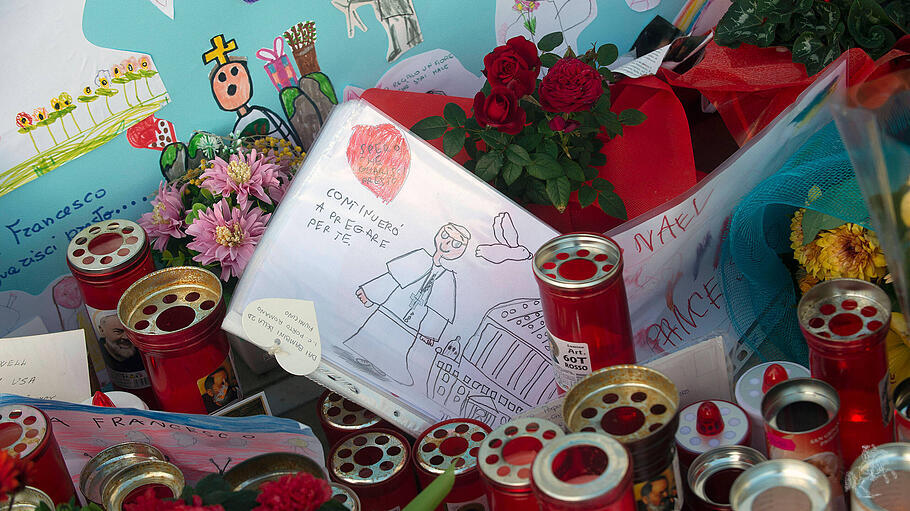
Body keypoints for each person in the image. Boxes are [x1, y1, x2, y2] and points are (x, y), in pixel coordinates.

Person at [344, 223, 470, 386]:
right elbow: (392, 277)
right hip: (391, 308)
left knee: (399, 342)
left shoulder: (447, 279)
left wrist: (430, 333)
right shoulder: (419, 257)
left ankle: (384, 366)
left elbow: (440, 311)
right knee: (375, 330)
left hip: (414, 320)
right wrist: (368, 293)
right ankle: (361, 354)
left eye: (456, 244)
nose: (446, 245)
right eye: (445, 236)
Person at [96, 314, 150, 390]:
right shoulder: (102, 349)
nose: (126, 337)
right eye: (118, 332)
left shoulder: (142, 350)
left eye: (129, 331)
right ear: (102, 331)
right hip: (120, 388)